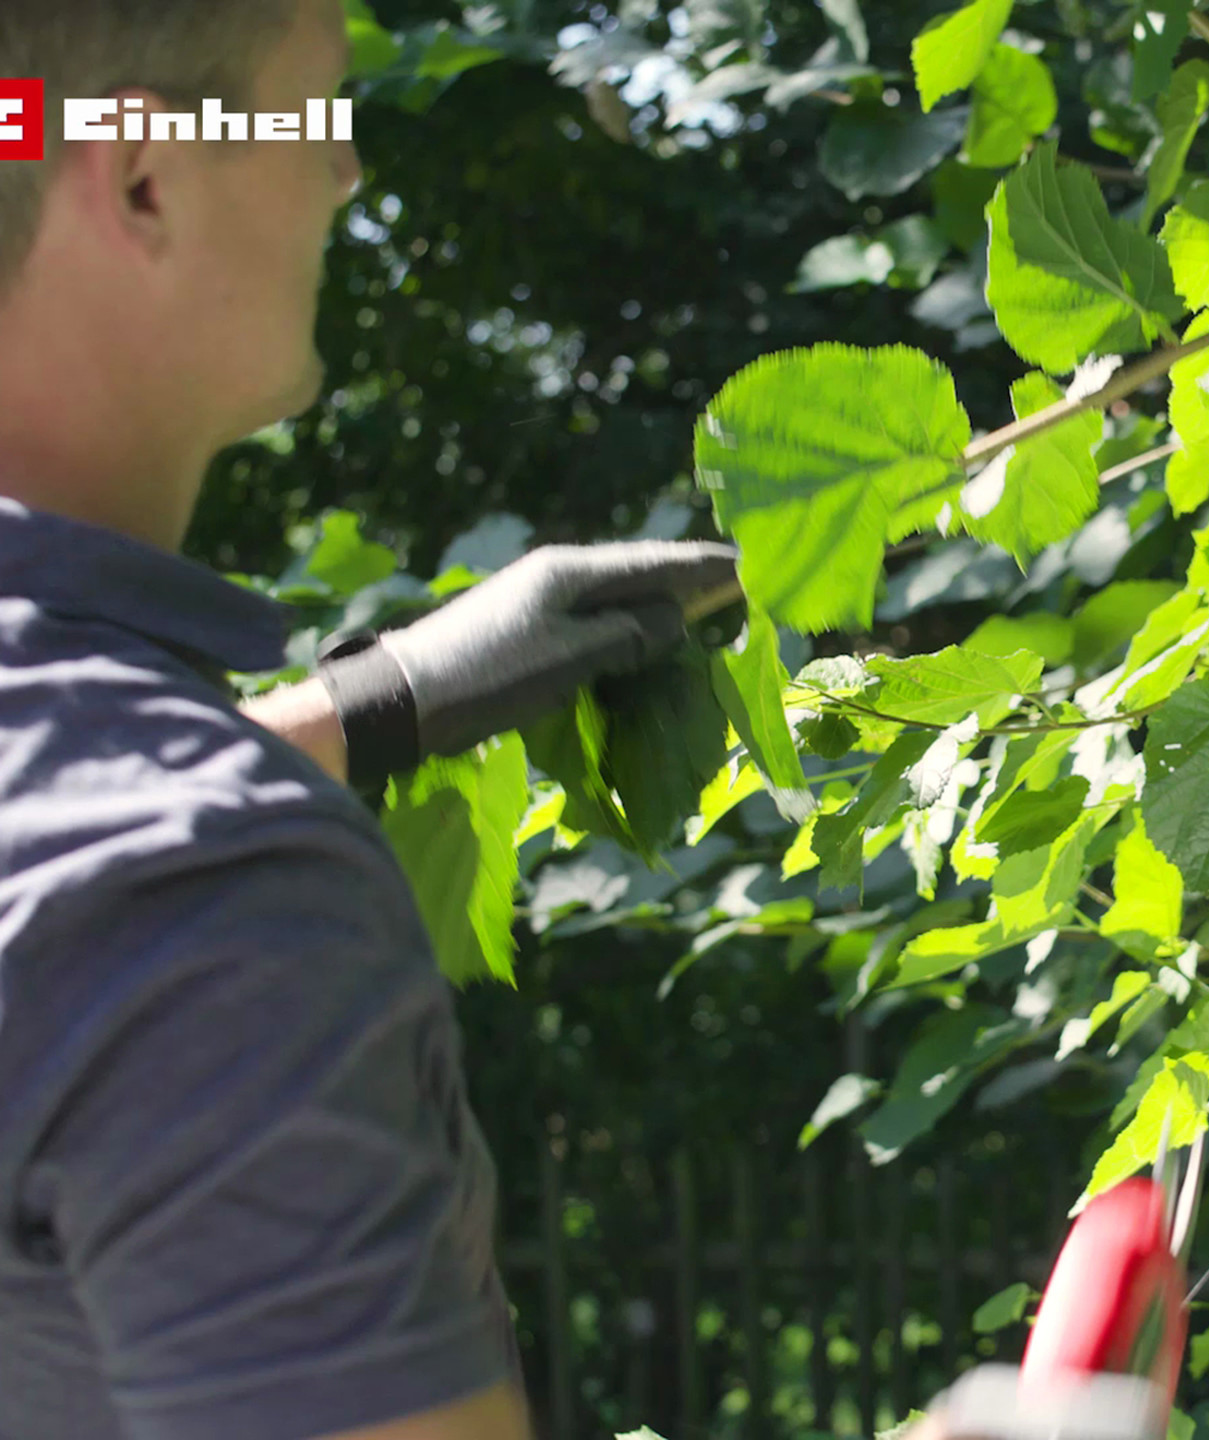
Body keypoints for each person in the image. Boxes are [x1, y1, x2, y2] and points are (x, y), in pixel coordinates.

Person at [0, 1, 735, 1436]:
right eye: (316, 112)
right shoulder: (205, 905)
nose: (345, 172)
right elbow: (123, 899)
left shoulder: (130, 870)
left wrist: (368, 710)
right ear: (143, 178)